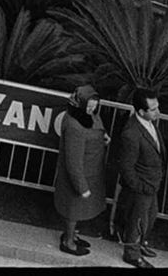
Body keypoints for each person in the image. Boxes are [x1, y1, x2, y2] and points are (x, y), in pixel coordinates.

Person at [54, 83, 110, 255]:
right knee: (73, 210)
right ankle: (68, 242)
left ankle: (72, 235)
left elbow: (96, 129)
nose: (93, 107)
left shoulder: (88, 115)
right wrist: (82, 187)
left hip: (90, 171)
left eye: (95, 103)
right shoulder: (74, 126)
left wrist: (103, 137)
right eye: (90, 103)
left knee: (77, 210)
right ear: (81, 103)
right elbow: (73, 161)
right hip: (80, 175)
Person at [114, 89, 166, 268]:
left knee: (149, 217)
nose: (158, 112)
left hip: (151, 184)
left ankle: (140, 244)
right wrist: (139, 187)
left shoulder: (148, 123)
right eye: (153, 109)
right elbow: (126, 167)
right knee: (137, 221)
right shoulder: (131, 133)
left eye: (157, 107)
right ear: (141, 111)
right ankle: (132, 253)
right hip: (142, 186)